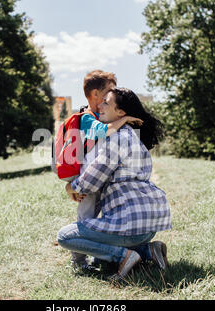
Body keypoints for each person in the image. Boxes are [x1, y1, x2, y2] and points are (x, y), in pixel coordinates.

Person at [57, 87, 172, 281]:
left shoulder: (117, 139)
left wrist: (72, 187)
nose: (99, 106)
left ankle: (124, 256)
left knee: (65, 237)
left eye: (106, 103)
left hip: (129, 223)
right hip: (148, 225)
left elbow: (93, 179)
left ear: (120, 113)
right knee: (101, 260)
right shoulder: (133, 137)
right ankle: (148, 250)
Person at [69, 71, 143, 271]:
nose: (113, 94)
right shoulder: (86, 117)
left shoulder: (102, 115)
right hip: (88, 178)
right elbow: (105, 131)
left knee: (104, 219)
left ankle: (102, 256)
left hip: (103, 175)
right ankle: (78, 261)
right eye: (109, 90)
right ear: (95, 94)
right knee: (86, 218)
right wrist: (125, 118)